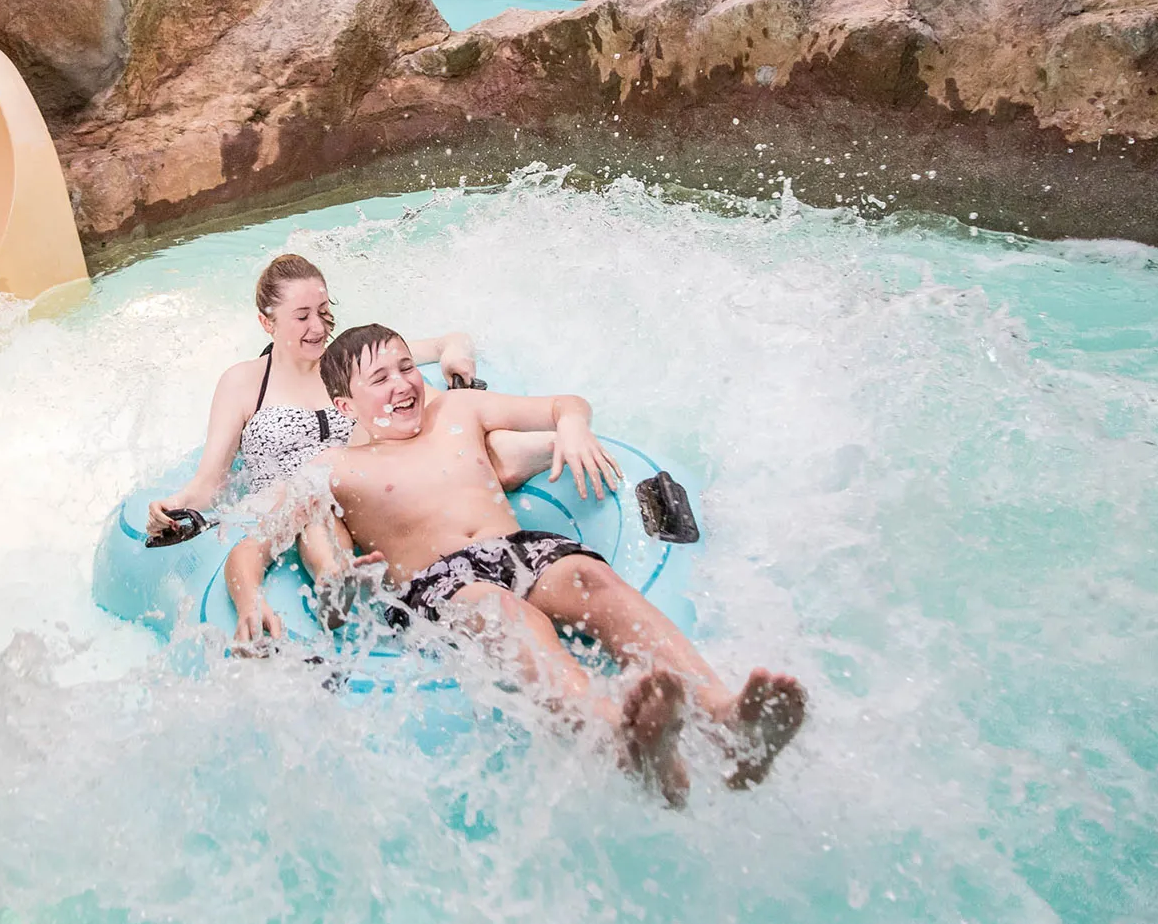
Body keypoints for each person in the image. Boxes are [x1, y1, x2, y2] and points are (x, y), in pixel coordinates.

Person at [308, 323, 808, 806]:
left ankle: (724, 720)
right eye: (380, 379)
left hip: (519, 549)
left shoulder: (458, 411)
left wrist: (571, 428)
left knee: (592, 576)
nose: (403, 384)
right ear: (345, 405)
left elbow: (564, 403)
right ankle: (618, 736)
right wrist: (335, 575)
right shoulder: (335, 467)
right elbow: (311, 538)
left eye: (406, 367)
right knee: (504, 612)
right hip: (440, 582)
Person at [146, 254, 562, 642]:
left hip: (373, 488)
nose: (318, 327)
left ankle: (554, 444)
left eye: (324, 311)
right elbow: (210, 482)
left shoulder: (352, 363)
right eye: (302, 316)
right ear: (266, 322)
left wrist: (454, 355)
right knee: (318, 497)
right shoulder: (243, 382)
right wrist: (175, 507)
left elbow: (448, 342)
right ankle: (336, 580)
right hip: (292, 501)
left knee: (446, 435)